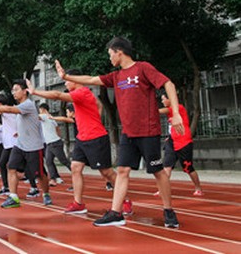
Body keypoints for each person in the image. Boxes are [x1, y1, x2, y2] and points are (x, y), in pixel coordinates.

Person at [56, 36, 182, 228]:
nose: (109, 59)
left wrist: (176, 113)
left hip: (148, 131)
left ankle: (168, 211)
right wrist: (65, 77)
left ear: (119, 52)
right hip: (128, 133)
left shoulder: (143, 68)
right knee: (122, 170)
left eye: (110, 54)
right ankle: (116, 212)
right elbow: (90, 79)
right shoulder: (116, 77)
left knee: (157, 171)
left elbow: (169, 84)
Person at [27, 73, 132, 216]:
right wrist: (95, 117)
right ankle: (78, 203)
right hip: (82, 138)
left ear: (74, 80)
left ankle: (125, 201)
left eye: (66, 81)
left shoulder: (82, 92)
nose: (65, 84)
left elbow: (57, 95)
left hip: (96, 138)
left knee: (106, 172)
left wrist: (35, 92)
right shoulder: (83, 94)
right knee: (75, 167)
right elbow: (99, 104)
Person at [0, 80, 52, 208]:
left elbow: (8, 109)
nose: (13, 92)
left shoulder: (28, 105)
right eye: (12, 90)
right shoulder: (20, 107)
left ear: (25, 91)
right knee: (11, 167)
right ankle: (13, 197)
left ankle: (46, 194)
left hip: (34, 146)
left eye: (16, 89)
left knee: (40, 174)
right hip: (19, 145)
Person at [157, 93, 203, 196]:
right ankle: (162, 189)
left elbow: (160, 111)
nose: (162, 101)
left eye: (164, 99)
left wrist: (146, 110)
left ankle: (198, 188)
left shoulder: (178, 108)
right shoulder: (170, 112)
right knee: (166, 167)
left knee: (188, 168)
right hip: (172, 142)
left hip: (184, 143)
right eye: (162, 99)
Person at [38, 103, 71, 186]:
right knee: (49, 161)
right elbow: (57, 129)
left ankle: (76, 172)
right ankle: (53, 178)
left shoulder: (45, 116)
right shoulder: (52, 118)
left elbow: (37, 117)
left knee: (64, 161)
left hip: (54, 143)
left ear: (43, 109)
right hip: (51, 143)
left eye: (40, 110)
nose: (39, 112)